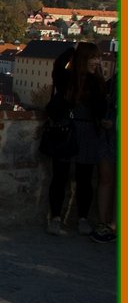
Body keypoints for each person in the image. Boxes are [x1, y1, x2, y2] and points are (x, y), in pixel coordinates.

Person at [46, 42, 107, 238]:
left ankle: (82, 218)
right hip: (69, 129)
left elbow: (101, 108)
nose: (97, 62)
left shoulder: (96, 82)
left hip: (86, 130)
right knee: (61, 177)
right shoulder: (67, 78)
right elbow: (58, 64)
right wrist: (74, 47)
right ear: (84, 59)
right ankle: (56, 217)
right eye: (93, 57)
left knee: (84, 179)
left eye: (98, 58)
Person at [93, 71, 117, 243]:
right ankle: (103, 223)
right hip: (108, 136)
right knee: (105, 179)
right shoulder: (116, 79)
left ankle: (115, 225)